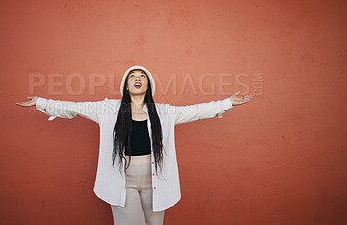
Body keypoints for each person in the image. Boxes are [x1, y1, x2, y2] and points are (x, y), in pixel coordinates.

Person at [16, 65, 253, 225]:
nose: (137, 79)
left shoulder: (163, 112)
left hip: (155, 178)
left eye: (142, 76)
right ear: (126, 85)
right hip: (123, 180)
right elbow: (74, 107)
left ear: (148, 85)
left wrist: (227, 102)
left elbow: (197, 111)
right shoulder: (107, 109)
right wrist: (41, 102)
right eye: (132, 76)